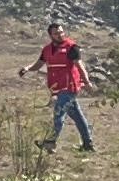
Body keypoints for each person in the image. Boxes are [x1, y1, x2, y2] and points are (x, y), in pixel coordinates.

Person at [22, 20, 96, 153]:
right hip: (57, 87)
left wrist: (87, 81)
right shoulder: (47, 49)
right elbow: (39, 64)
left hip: (69, 87)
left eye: (61, 32)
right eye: (56, 33)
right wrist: (27, 68)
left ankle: (50, 142)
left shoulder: (72, 47)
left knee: (59, 113)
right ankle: (88, 144)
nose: (60, 35)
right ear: (51, 35)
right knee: (77, 117)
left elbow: (80, 66)